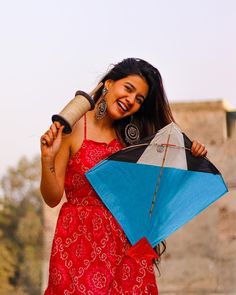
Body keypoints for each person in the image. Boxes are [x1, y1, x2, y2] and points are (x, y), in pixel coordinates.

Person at [40, 58, 207, 295]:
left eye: (139, 99)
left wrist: (192, 155)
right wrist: (47, 158)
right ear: (109, 83)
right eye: (128, 89)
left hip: (126, 248)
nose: (131, 101)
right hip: (78, 243)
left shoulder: (135, 141)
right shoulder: (73, 129)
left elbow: (158, 194)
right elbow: (52, 197)